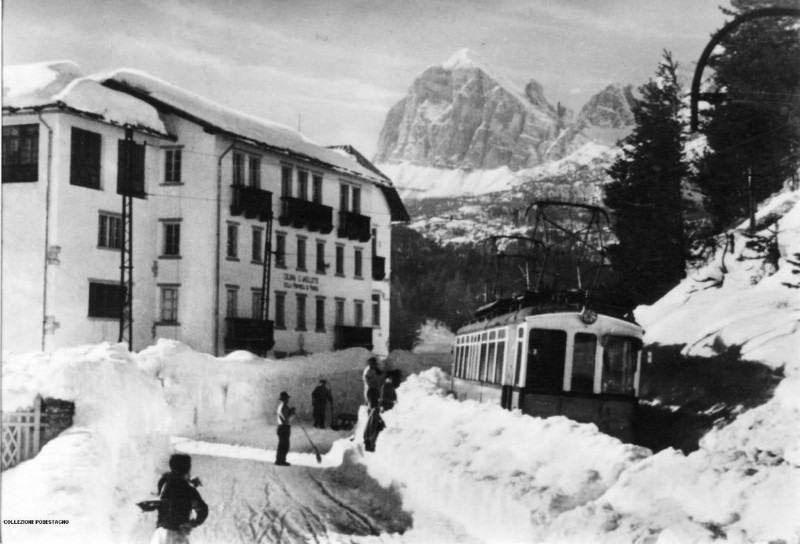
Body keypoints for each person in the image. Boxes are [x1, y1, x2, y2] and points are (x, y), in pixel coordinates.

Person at [151, 453, 208, 544]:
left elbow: (170, 477)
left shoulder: (164, 485)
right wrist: (193, 524)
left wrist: (187, 479)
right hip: (177, 534)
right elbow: (203, 510)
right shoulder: (189, 490)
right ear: (188, 469)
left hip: (160, 534)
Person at [275, 391, 295, 466]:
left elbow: (286, 416)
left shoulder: (283, 406)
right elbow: (286, 419)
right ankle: (280, 460)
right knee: (284, 445)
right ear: (284, 399)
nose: (288, 399)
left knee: (283, 445)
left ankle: (280, 460)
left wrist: (290, 411)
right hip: (284, 427)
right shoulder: (283, 407)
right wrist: (292, 413)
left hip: (282, 427)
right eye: (287, 398)